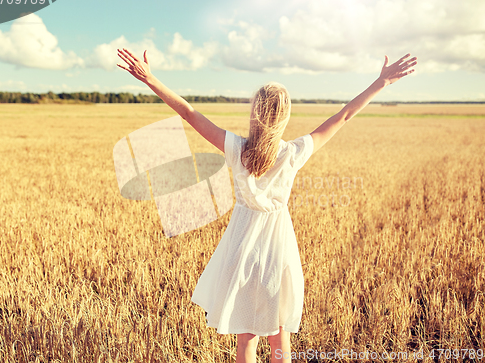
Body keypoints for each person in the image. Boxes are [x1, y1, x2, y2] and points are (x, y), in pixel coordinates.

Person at [117, 48, 417, 363]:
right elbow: (344, 116)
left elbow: (190, 113)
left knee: (247, 336)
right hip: (278, 249)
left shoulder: (236, 149)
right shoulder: (294, 152)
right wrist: (381, 82)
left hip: (241, 247)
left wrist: (150, 78)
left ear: (254, 112)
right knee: (278, 335)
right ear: (285, 117)